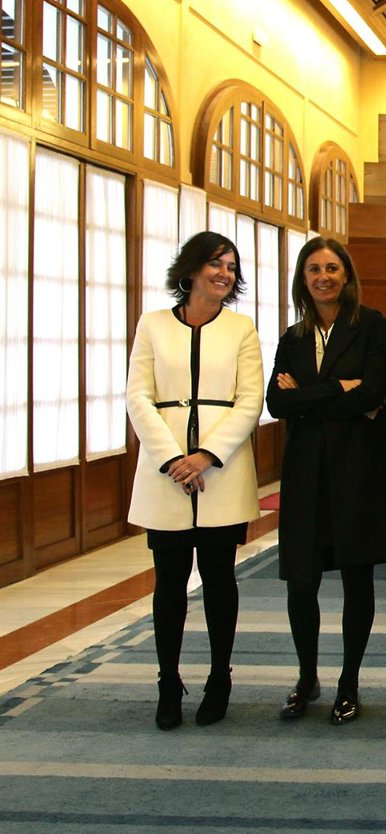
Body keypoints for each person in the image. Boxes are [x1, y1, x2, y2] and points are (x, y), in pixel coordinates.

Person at [266, 237, 386, 725]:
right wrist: (336, 391)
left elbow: (371, 392)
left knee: (356, 577)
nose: (323, 277)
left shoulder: (369, 326)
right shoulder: (292, 336)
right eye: (313, 270)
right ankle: (307, 679)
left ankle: (349, 682)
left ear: (346, 275)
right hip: (305, 473)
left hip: (359, 472)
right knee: (300, 583)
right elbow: (276, 404)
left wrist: (307, 394)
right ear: (302, 280)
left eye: (331, 268)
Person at [125, 232, 263, 730]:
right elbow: (138, 396)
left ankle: (219, 678)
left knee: (221, 580)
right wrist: (171, 459)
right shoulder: (154, 324)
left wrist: (206, 455)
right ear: (190, 270)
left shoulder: (241, 329)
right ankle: (168, 681)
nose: (224, 273)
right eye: (214, 263)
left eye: (230, 265)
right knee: (169, 583)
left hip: (220, 473)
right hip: (166, 475)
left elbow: (250, 400)